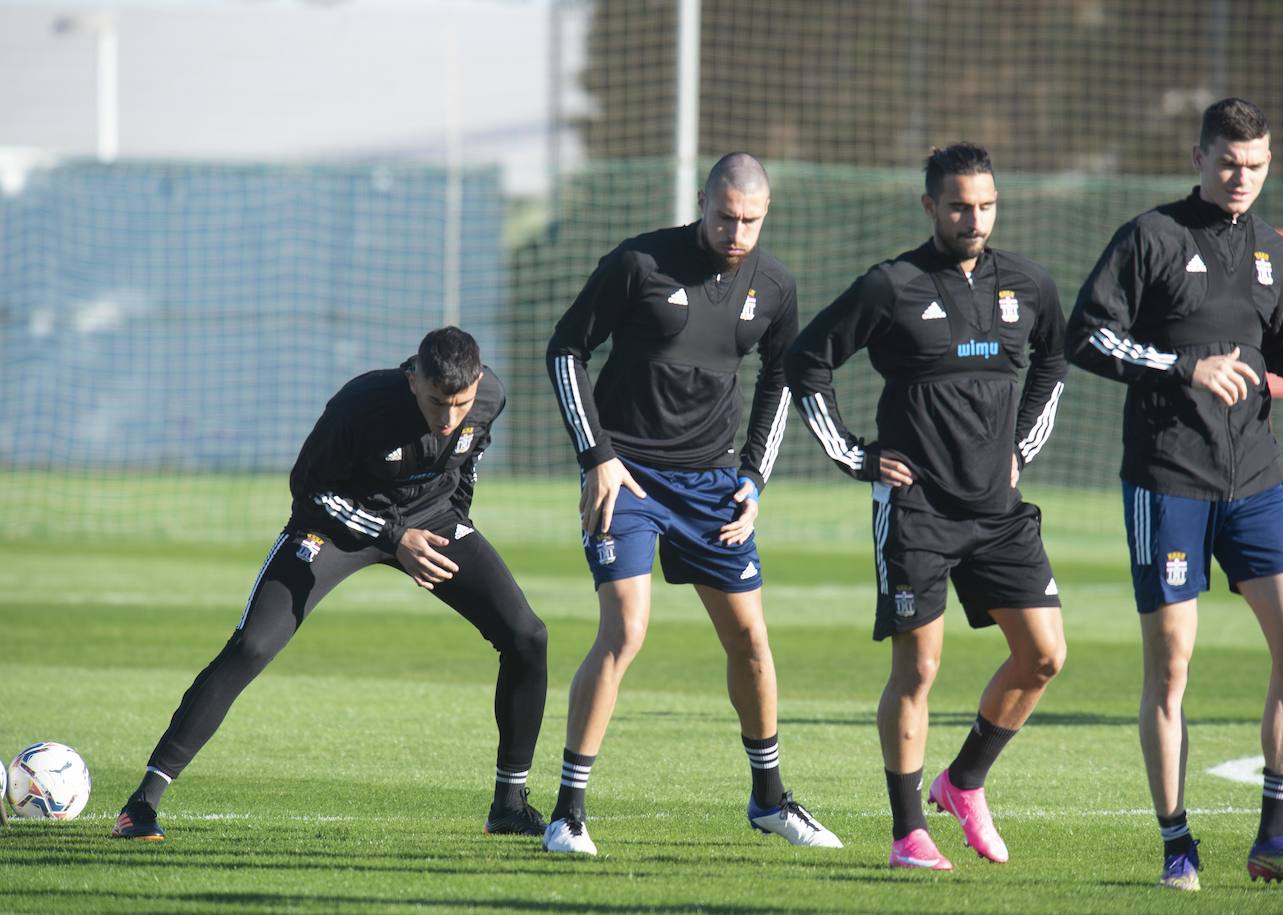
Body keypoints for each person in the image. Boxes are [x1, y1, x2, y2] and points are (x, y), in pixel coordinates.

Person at [1066, 97, 1283, 892]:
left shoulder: (1272, 248)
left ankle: (1276, 836)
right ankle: (1176, 841)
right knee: (1172, 666)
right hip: (1168, 477)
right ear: (1199, 157)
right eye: (1229, 161)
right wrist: (1180, 366)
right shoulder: (1151, 236)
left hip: (1256, 477)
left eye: (1257, 164)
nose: (1243, 177)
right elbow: (1088, 335)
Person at [111, 327, 550, 840]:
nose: (449, 417)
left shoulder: (490, 396)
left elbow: (468, 458)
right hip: (335, 526)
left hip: (430, 522)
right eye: (437, 402)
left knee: (527, 636)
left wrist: (452, 521)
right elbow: (309, 488)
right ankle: (142, 803)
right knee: (254, 644)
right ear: (414, 380)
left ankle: (509, 805)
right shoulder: (362, 404)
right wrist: (393, 536)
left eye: (461, 403)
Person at [542, 152, 840, 855]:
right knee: (626, 630)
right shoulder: (638, 263)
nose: (736, 232)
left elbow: (782, 375)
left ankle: (769, 799)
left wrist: (753, 478)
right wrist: (598, 457)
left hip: (711, 487)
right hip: (630, 478)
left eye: (751, 221)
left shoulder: (774, 285)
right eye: (725, 216)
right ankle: (568, 812)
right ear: (703, 201)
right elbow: (564, 352)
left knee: (752, 642)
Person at [785, 142, 1068, 870]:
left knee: (1043, 655)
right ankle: (909, 830)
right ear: (929, 207)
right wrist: (854, 454)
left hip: (999, 510)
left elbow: (1055, 359)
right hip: (917, 511)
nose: (974, 218)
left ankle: (964, 780)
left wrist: (1024, 446)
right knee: (919, 670)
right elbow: (806, 360)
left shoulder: (1029, 285)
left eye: (985, 205)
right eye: (958, 206)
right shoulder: (892, 285)